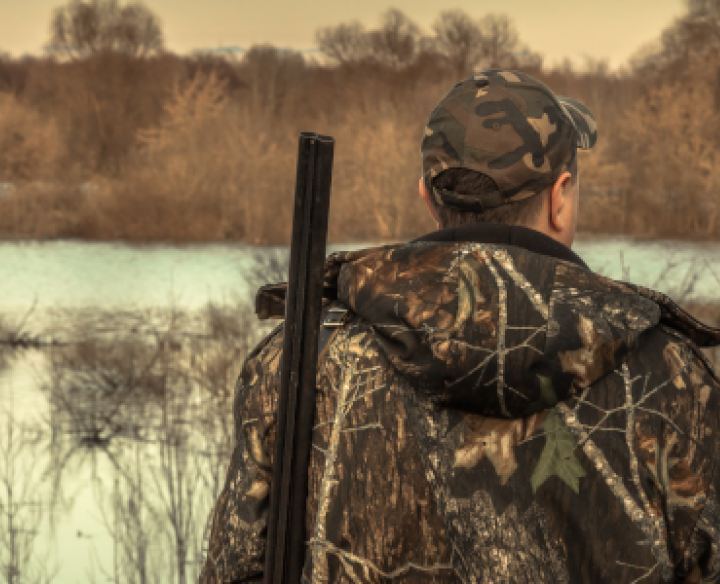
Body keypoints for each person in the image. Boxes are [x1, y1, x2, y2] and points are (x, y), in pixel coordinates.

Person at [199, 70, 720, 583]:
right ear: (560, 198)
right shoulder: (673, 378)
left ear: (427, 197)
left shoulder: (301, 361)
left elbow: (235, 569)